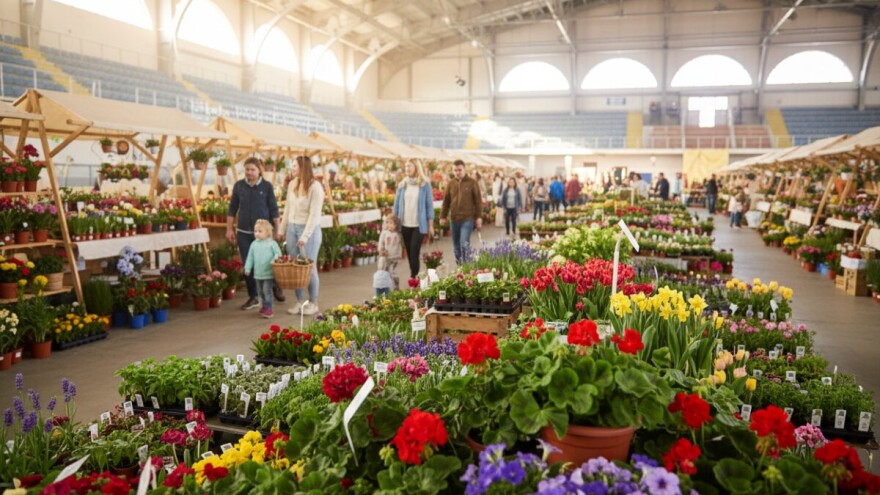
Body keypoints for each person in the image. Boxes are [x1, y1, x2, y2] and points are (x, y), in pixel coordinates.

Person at [227, 157, 284, 310]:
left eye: (252, 169)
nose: (249, 172)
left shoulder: (266, 186)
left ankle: (274, 286)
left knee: (268, 262)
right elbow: (232, 209)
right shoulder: (239, 186)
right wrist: (229, 229)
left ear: (259, 170)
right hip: (244, 232)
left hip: (264, 233)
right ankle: (254, 296)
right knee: (248, 264)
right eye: (247, 169)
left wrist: (277, 230)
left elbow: (274, 209)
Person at [278, 156, 324, 316]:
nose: (292, 168)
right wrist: (281, 229)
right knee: (296, 268)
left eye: (294, 165)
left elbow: (314, 215)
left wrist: (305, 236)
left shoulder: (315, 187)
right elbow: (287, 209)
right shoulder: (292, 184)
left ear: (303, 167)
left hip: (308, 230)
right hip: (292, 227)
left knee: (309, 268)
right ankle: (300, 302)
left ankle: (313, 302)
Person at [392, 161, 435, 283]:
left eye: (409, 166)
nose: (407, 168)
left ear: (416, 167)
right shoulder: (402, 185)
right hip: (404, 224)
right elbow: (396, 205)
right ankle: (415, 276)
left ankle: (413, 277)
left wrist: (430, 225)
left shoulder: (424, 185)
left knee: (414, 252)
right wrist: (394, 222)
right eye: (405, 166)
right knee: (410, 253)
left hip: (419, 225)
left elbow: (429, 206)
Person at [440, 160, 482, 264]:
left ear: (464, 169)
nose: (457, 172)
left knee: (464, 244)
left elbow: (478, 201)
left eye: (459, 170)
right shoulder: (450, 184)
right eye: (455, 170)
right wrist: (443, 216)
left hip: (467, 219)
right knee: (456, 247)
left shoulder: (472, 183)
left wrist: (478, 217)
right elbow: (446, 201)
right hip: (454, 220)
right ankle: (460, 269)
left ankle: (467, 267)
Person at [243, 219, 282, 318]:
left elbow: (278, 254)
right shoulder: (254, 244)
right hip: (257, 274)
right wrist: (247, 268)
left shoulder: (272, 243)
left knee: (266, 290)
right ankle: (263, 306)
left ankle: (269, 308)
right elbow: (250, 257)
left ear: (268, 232)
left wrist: (274, 260)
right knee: (259, 291)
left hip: (268, 273)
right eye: (255, 231)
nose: (257, 233)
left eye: (260, 231)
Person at [377, 214, 403, 290]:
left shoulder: (398, 235)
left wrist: (399, 255)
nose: (389, 225)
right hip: (385, 256)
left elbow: (399, 246)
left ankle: (396, 285)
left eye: (391, 223)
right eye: (388, 222)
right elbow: (381, 243)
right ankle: (382, 286)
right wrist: (381, 250)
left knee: (392, 271)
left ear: (396, 225)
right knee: (381, 270)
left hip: (394, 258)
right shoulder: (384, 233)